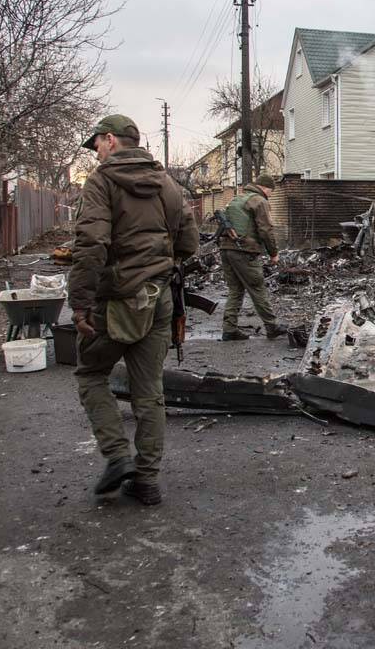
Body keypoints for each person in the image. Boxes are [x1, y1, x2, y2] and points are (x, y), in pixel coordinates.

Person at [68, 114, 198, 506]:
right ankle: (147, 480)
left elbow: (91, 243)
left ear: (111, 140)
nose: (95, 153)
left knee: (91, 374)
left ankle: (117, 457)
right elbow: (189, 241)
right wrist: (160, 263)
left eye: (96, 145)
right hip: (157, 298)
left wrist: (79, 302)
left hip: (114, 300)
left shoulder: (102, 181)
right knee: (150, 391)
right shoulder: (168, 184)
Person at [219, 173, 286, 341]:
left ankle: (229, 329)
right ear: (265, 188)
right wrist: (274, 253)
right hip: (244, 251)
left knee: (235, 289)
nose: (270, 194)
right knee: (257, 288)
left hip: (226, 248)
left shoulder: (238, 198)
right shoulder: (259, 201)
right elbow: (266, 230)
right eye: (271, 191)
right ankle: (272, 326)